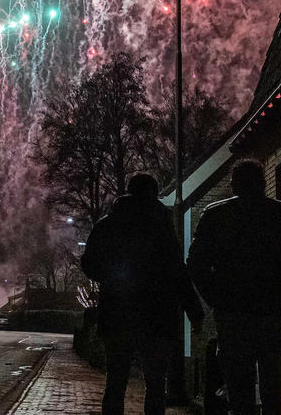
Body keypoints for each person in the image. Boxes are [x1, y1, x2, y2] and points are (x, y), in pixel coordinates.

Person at [187, 158, 281, 415]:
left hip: (234, 317)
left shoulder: (216, 215)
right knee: (273, 392)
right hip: (274, 316)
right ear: (263, 183)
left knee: (239, 394)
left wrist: (217, 299)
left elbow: (196, 264)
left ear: (234, 185)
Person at [81, 173, 204, 415]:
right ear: (154, 192)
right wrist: (194, 311)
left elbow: (89, 263)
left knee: (115, 382)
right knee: (156, 385)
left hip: (117, 314)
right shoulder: (161, 224)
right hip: (157, 316)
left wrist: (109, 278)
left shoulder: (108, 224)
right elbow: (177, 270)